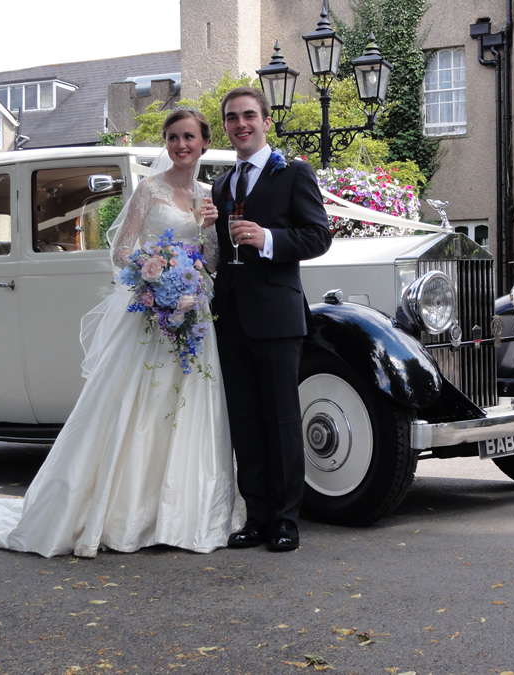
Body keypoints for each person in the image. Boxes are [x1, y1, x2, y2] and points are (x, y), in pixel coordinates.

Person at [0, 108, 242, 557]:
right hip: (152, 314)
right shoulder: (149, 190)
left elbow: (210, 260)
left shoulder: (206, 196)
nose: (181, 145)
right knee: (136, 411)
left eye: (189, 137)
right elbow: (121, 252)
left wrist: (207, 234)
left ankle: (182, 513)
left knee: (190, 409)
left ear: (203, 142)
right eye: (173, 137)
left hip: (191, 315)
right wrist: (155, 278)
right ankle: (129, 510)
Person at [212, 87, 332, 552]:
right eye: (231, 118)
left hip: (278, 317)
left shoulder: (294, 173)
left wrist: (266, 238)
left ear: (265, 121)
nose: (240, 124)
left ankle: (285, 521)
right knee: (245, 421)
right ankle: (257, 516)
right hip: (230, 315)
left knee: (282, 421)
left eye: (248, 116)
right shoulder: (222, 185)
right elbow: (218, 252)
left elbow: (318, 236)